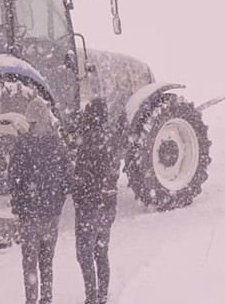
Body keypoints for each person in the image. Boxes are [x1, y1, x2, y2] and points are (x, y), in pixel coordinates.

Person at [9, 100, 72, 304]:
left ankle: (31, 300)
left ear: (30, 118)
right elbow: (67, 178)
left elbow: (13, 179)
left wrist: (19, 206)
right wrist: (57, 202)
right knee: (47, 262)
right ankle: (47, 299)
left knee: (29, 263)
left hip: (29, 215)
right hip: (51, 215)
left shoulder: (22, 144)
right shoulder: (57, 143)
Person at [72, 99, 121, 304]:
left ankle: (91, 297)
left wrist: (77, 194)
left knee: (85, 255)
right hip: (107, 205)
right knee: (101, 252)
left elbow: (81, 177)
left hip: (89, 207)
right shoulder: (111, 140)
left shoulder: (87, 142)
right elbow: (114, 173)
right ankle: (102, 294)